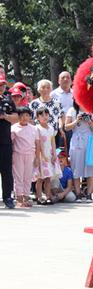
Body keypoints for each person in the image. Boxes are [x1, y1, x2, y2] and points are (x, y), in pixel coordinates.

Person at [66, 100, 93, 201]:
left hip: (89, 142)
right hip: (76, 142)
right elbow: (66, 127)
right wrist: (76, 121)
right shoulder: (72, 110)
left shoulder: (91, 111)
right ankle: (78, 194)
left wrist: (89, 121)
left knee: (90, 169)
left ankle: (89, 194)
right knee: (76, 168)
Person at [11, 107, 37, 208]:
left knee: (28, 177)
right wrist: (11, 156)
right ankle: (19, 198)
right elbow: (11, 144)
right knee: (18, 177)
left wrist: (37, 157)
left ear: (30, 116)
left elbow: (37, 143)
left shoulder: (33, 128)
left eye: (26, 115)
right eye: (21, 116)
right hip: (18, 155)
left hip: (30, 155)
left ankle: (26, 197)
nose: (24, 118)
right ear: (18, 117)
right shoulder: (13, 128)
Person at [0, 73, 18, 208]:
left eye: (3, 84)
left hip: (5, 141)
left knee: (7, 170)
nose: (1, 87)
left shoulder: (8, 100)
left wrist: (4, 116)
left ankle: (8, 197)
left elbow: (16, 118)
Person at [34, 107, 56, 205]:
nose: (45, 117)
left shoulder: (51, 128)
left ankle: (48, 196)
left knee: (48, 178)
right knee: (40, 178)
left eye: (46, 114)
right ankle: (38, 197)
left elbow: (53, 142)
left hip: (49, 154)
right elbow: (38, 144)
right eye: (42, 115)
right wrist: (41, 156)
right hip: (41, 156)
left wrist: (54, 154)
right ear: (37, 117)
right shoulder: (37, 128)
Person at [51, 71, 74, 148]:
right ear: (58, 81)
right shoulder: (53, 94)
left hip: (73, 125)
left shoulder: (75, 93)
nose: (65, 79)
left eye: (68, 77)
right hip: (59, 127)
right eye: (63, 77)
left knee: (72, 149)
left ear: (71, 81)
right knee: (61, 151)